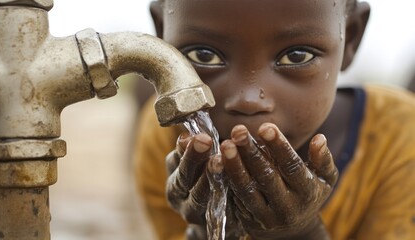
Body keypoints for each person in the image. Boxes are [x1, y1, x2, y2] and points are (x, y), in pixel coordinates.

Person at [133, 0, 415, 239]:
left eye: (296, 55)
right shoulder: (167, 134)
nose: (248, 98)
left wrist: (303, 233)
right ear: (162, 37)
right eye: (203, 55)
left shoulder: (402, 137)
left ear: (350, 37)